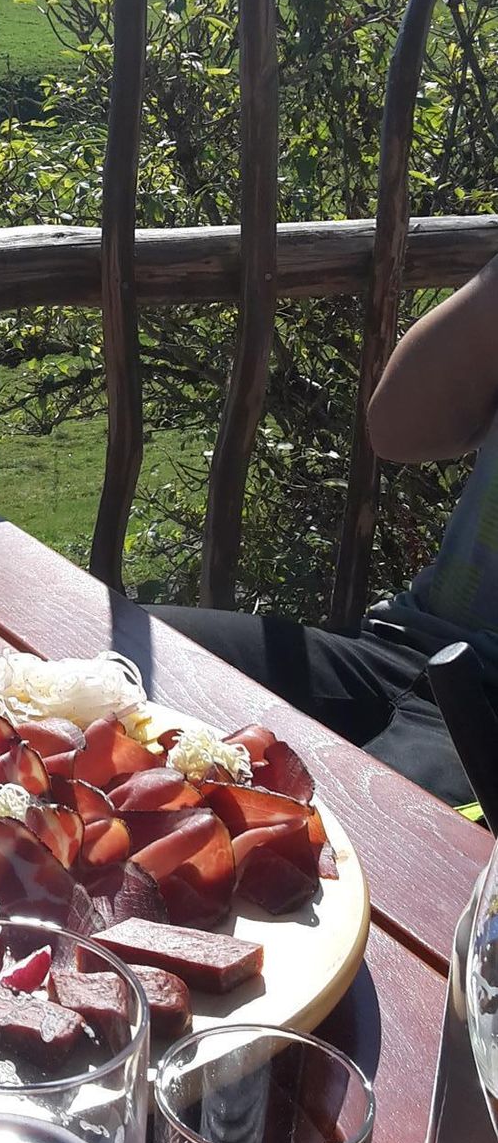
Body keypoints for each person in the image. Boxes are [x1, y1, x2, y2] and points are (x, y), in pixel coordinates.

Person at [148, 252, 498, 806]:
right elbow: (397, 431)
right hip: (400, 650)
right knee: (114, 661)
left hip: (483, 713)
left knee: (338, 848)